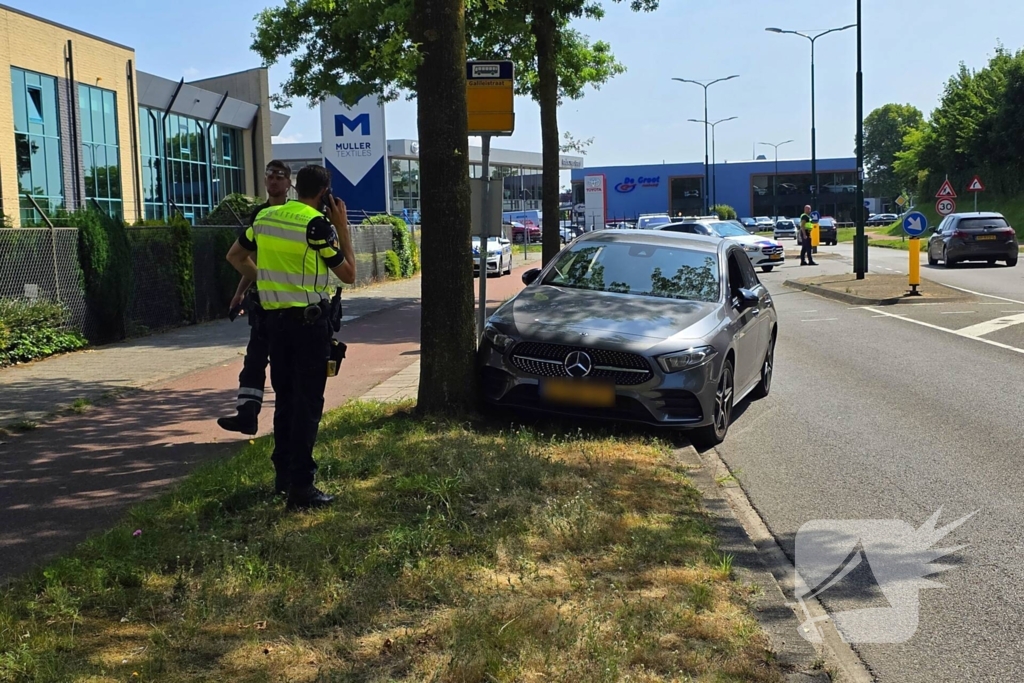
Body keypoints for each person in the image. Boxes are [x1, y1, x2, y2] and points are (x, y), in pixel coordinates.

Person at [226, 165, 356, 509]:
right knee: (307, 405)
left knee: (284, 401)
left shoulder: (266, 219)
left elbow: (235, 256)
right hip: (308, 327)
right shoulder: (317, 226)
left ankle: (282, 477)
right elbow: (348, 274)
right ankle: (302, 486)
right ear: (325, 192)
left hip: (274, 326)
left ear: (296, 187)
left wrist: (263, 279)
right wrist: (342, 228)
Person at [217, 160, 293, 436]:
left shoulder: (296, 215)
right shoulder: (259, 215)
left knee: (286, 364)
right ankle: (247, 415)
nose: (273, 181)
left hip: (292, 303)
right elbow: (252, 258)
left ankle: (288, 426)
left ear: (289, 183)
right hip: (265, 302)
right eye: (270, 176)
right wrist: (239, 293)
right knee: (254, 361)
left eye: (280, 177)